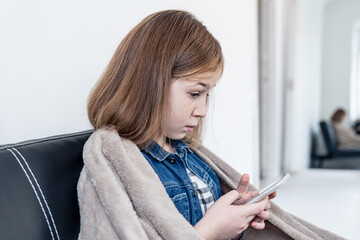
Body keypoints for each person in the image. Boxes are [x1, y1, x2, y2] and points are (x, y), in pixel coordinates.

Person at [77, 10, 344, 240]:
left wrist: (237, 220)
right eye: (195, 93)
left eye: (208, 95)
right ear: (150, 83)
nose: (203, 110)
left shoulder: (191, 159)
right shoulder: (112, 165)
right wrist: (209, 230)